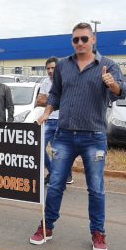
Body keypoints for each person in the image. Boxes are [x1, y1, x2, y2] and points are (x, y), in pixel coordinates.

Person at [31, 22, 126, 250]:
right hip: (64, 135)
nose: (80, 43)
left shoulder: (107, 65)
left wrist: (112, 84)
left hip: (94, 137)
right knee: (56, 184)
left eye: (84, 38)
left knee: (96, 188)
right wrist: (46, 112)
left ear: (93, 39)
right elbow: (55, 94)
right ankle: (46, 226)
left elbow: (122, 91)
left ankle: (98, 232)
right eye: (76, 39)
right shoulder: (63, 65)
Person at [36, 57, 73, 185]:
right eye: (48, 68)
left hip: (62, 121)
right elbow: (39, 101)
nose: (50, 71)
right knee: (38, 147)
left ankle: (66, 175)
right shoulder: (45, 82)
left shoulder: (65, 81)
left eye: (53, 68)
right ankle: (53, 172)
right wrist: (55, 100)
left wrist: (50, 100)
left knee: (59, 151)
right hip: (48, 120)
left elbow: (67, 101)